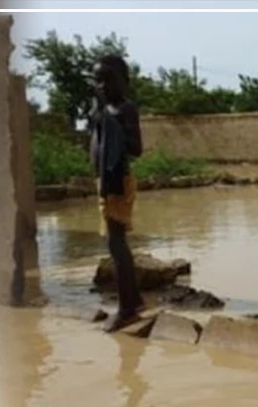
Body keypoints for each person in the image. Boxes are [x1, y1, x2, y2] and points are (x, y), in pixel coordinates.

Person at [90, 54, 146, 332]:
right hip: (105, 182)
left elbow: (136, 148)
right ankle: (134, 299)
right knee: (114, 243)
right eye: (97, 80)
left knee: (116, 243)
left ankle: (128, 309)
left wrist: (110, 121)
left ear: (125, 82)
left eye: (108, 80)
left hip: (118, 182)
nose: (102, 85)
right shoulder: (100, 111)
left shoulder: (125, 110)